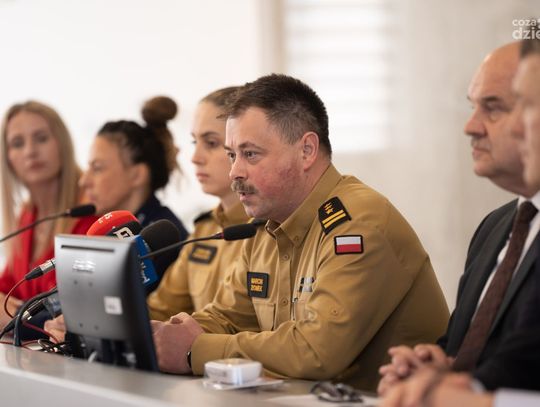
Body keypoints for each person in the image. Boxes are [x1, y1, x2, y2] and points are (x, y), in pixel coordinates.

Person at [150, 74, 449, 391]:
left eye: (250, 154)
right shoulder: (264, 229)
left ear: (307, 150)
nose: (235, 171)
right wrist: (164, 335)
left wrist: (195, 350)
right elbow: (228, 317)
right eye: (232, 155)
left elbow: (318, 351)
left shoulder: (358, 224)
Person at [378, 42, 540, 396]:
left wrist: (457, 388)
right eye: (473, 107)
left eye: (493, 108)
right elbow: (466, 346)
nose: (470, 126)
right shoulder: (496, 227)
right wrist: (438, 367)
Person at [147, 86, 250, 319]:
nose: (195, 158)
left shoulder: (272, 229)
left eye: (211, 143)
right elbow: (159, 311)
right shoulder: (205, 230)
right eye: (195, 142)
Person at [0, 101, 97, 329]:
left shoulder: (91, 212)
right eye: (17, 143)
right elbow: (8, 284)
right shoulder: (27, 215)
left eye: (41, 138)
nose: (30, 151)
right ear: (7, 157)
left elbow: (72, 311)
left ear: (62, 144)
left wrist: (14, 316)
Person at [79, 96, 189, 293]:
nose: (84, 181)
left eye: (97, 168)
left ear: (137, 175)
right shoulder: (111, 230)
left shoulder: (161, 239)